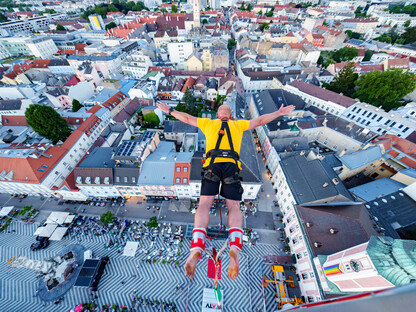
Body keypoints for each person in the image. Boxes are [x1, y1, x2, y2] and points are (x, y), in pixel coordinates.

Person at [156, 101, 295, 280]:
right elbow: (260, 121)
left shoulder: (209, 123)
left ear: (217, 116)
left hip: (212, 166)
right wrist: (278, 112)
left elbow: (187, 118)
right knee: (234, 207)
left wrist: (170, 110)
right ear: (230, 117)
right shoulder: (238, 124)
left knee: (205, 204)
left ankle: (197, 246)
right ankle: (235, 248)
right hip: (231, 167)